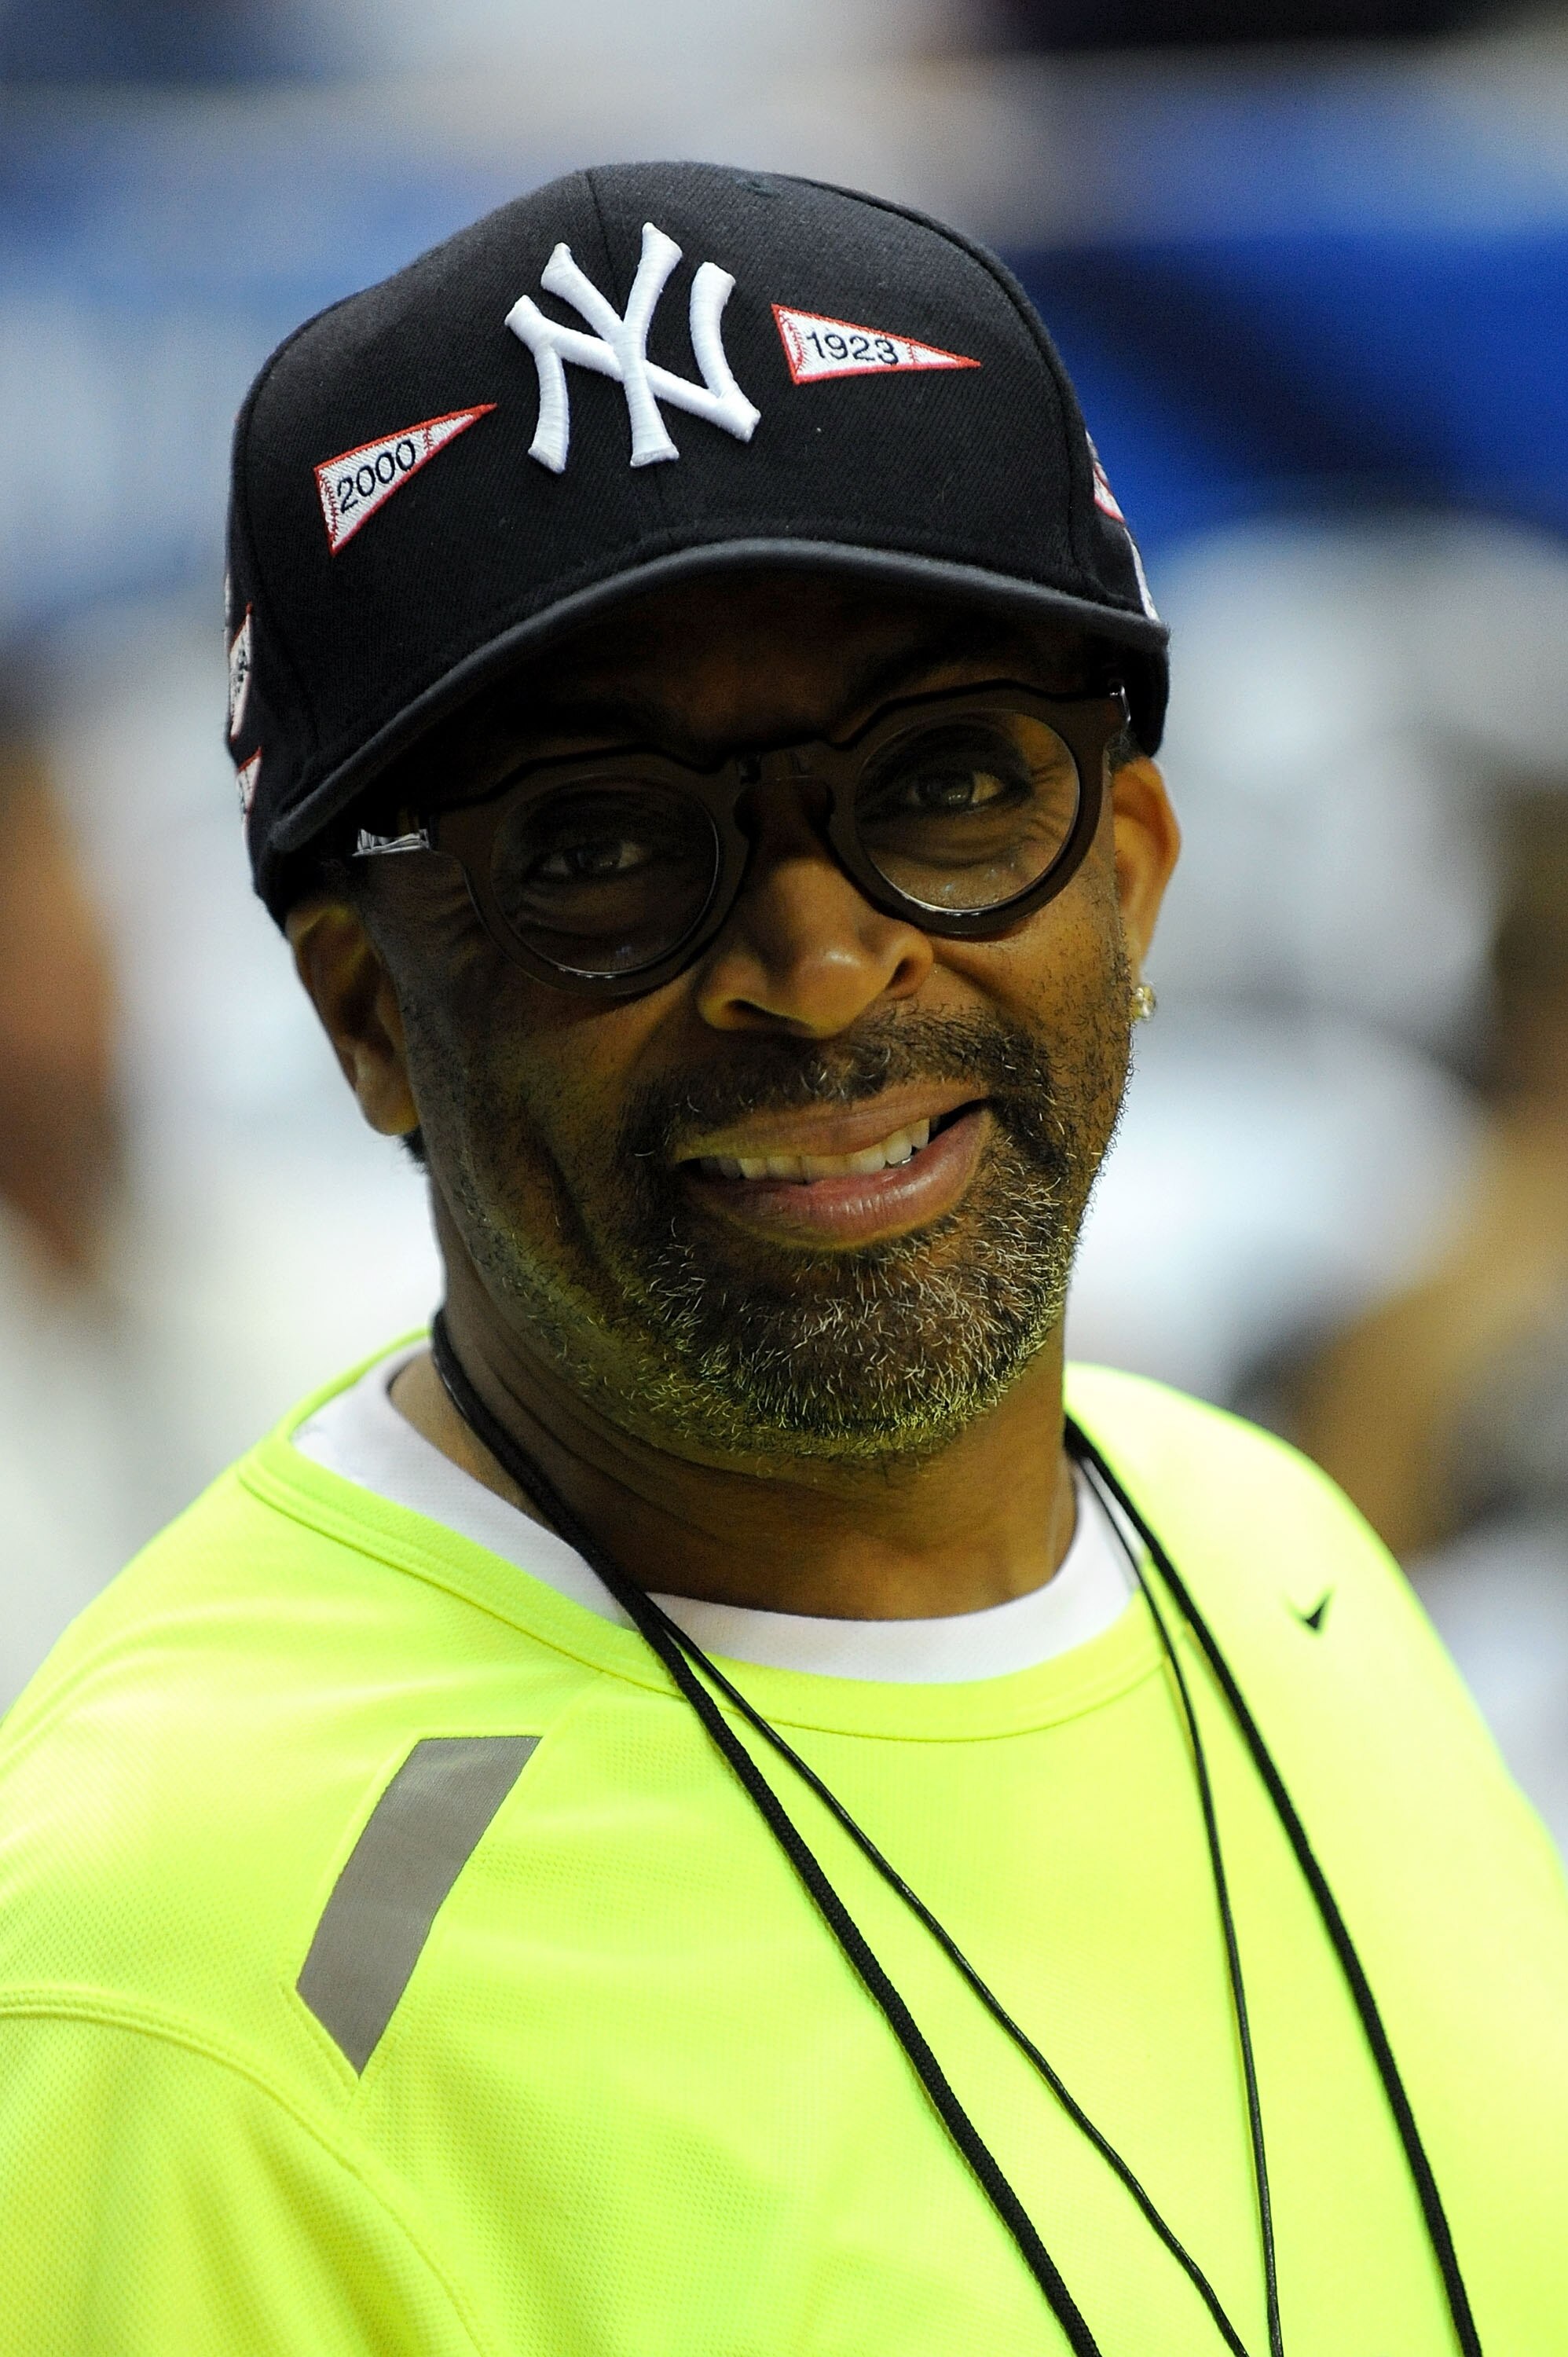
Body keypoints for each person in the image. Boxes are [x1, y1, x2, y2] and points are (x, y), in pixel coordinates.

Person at [0, 163, 1562, 2357]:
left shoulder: (1272, 1553)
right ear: (367, 1012)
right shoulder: (194, 1980)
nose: (819, 966)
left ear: (1132, 862)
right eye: (605, 845)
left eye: (942, 783)